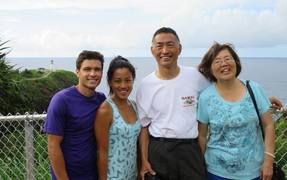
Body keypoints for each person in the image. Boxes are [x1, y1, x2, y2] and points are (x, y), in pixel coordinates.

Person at [136, 27, 209, 180]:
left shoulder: (195, 77)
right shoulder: (146, 85)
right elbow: (144, 127)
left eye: (170, 45)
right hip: (159, 150)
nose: (165, 50)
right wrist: (144, 161)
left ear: (179, 48)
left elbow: (217, 94)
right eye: (159, 46)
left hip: (190, 149)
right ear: (152, 50)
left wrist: (246, 95)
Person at [197, 42, 275, 180]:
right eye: (217, 61)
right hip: (216, 172)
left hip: (255, 172)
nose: (224, 64)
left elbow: (268, 125)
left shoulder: (255, 89)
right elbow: (202, 135)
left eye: (228, 59)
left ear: (236, 62)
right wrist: (200, 167)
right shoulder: (205, 97)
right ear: (210, 68)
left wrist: (268, 161)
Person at [43, 50, 106, 180]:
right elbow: (53, 145)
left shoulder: (101, 100)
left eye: (97, 69)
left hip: (93, 174)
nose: (93, 74)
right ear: (77, 72)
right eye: (87, 69)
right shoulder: (61, 100)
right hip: (68, 175)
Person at [95, 56, 141, 180]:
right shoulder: (106, 110)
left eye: (128, 80)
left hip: (132, 174)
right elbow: (102, 152)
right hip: (113, 176)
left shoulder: (134, 106)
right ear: (110, 82)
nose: (123, 85)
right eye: (117, 81)